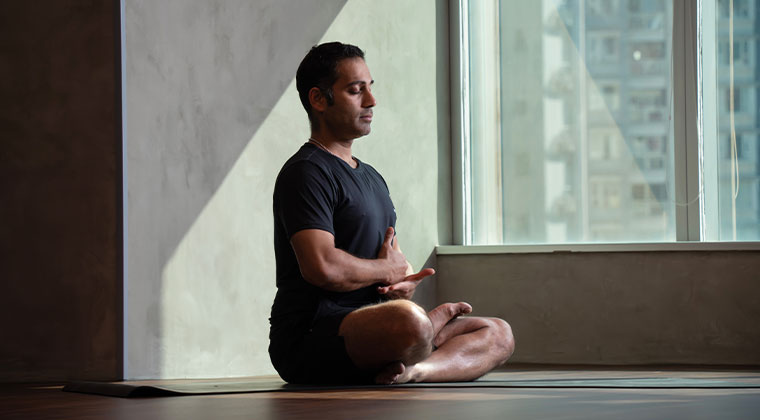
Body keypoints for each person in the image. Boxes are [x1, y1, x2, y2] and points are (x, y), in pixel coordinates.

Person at [269, 41, 514, 385]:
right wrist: (389, 273)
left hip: (381, 321)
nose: (371, 101)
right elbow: (321, 266)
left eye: (370, 88)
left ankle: (412, 371)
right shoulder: (306, 172)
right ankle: (422, 332)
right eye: (356, 91)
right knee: (410, 323)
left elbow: (394, 265)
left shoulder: (372, 178)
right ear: (319, 99)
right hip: (311, 334)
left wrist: (401, 285)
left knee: (498, 333)